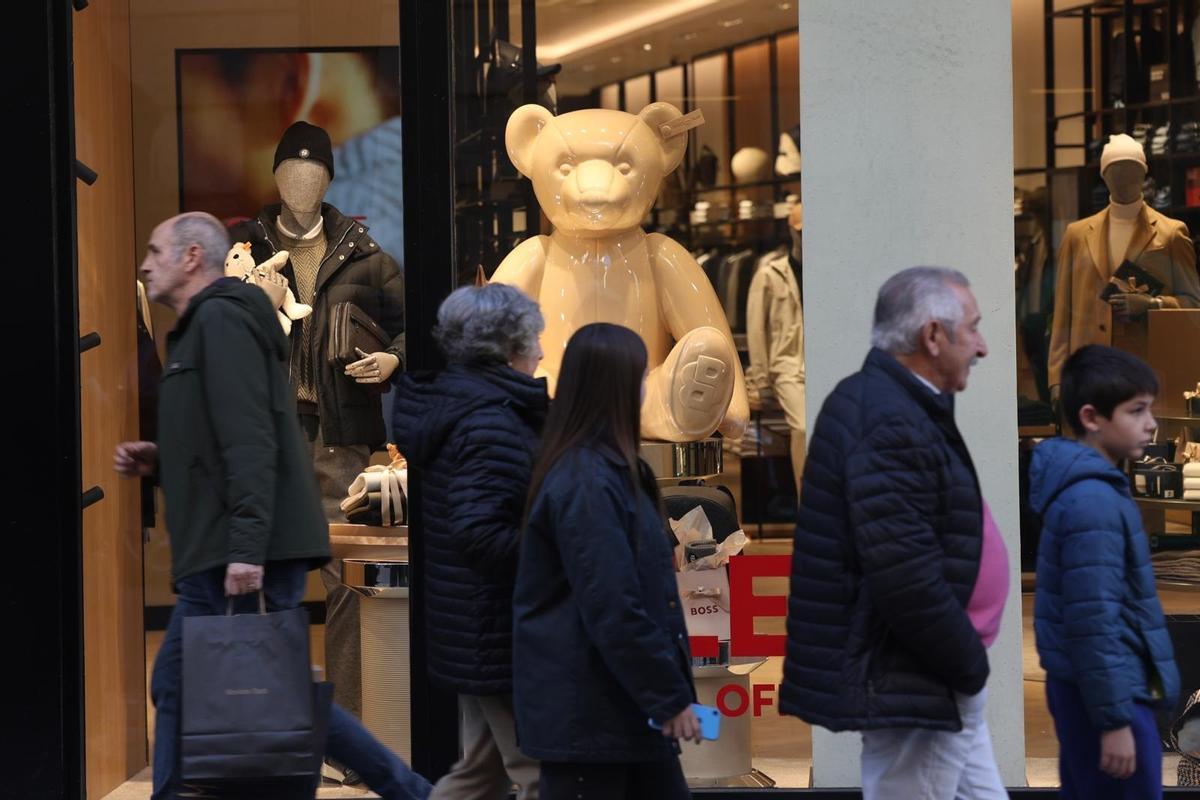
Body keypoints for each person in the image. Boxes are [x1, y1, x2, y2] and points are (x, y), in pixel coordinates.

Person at [113, 212, 430, 800]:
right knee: (194, 684)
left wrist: (247, 548)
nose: (144, 263)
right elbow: (219, 433)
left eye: (156, 250)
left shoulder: (222, 324)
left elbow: (251, 438)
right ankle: (410, 790)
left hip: (240, 550)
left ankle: (410, 790)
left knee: (225, 687)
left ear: (190, 258)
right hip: (224, 545)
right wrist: (160, 457)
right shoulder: (203, 327)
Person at [778, 267, 1007, 799]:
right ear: (932, 336)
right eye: (972, 328)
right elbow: (904, 576)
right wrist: (967, 666)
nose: (983, 346)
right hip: (919, 672)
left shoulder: (897, 404)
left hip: (932, 673)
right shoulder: (888, 418)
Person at [513, 323, 700, 800]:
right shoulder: (586, 480)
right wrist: (668, 695)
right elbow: (613, 604)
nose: (646, 385)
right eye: (640, 374)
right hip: (592, 714)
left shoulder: (613, 467)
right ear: (614, 384)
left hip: (617, 710)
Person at [392, 284, 548, 800]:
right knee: (536, 769)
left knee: (481, 774)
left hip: (473, 626)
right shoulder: (489, 420)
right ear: (506, 349)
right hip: (494, 627)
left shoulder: (463, 408)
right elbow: (481, 533)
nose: (542, 353)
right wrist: (557, 543)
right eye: (533, 341)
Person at [1031, 345, 1180, 798]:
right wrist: (1114, 721)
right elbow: (1093, 621)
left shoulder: (1095, 490)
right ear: (1092, 417)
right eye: (1137, 411)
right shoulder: (1091, 501)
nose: (1151, 424)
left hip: (1102, 692)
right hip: (1109, 699)